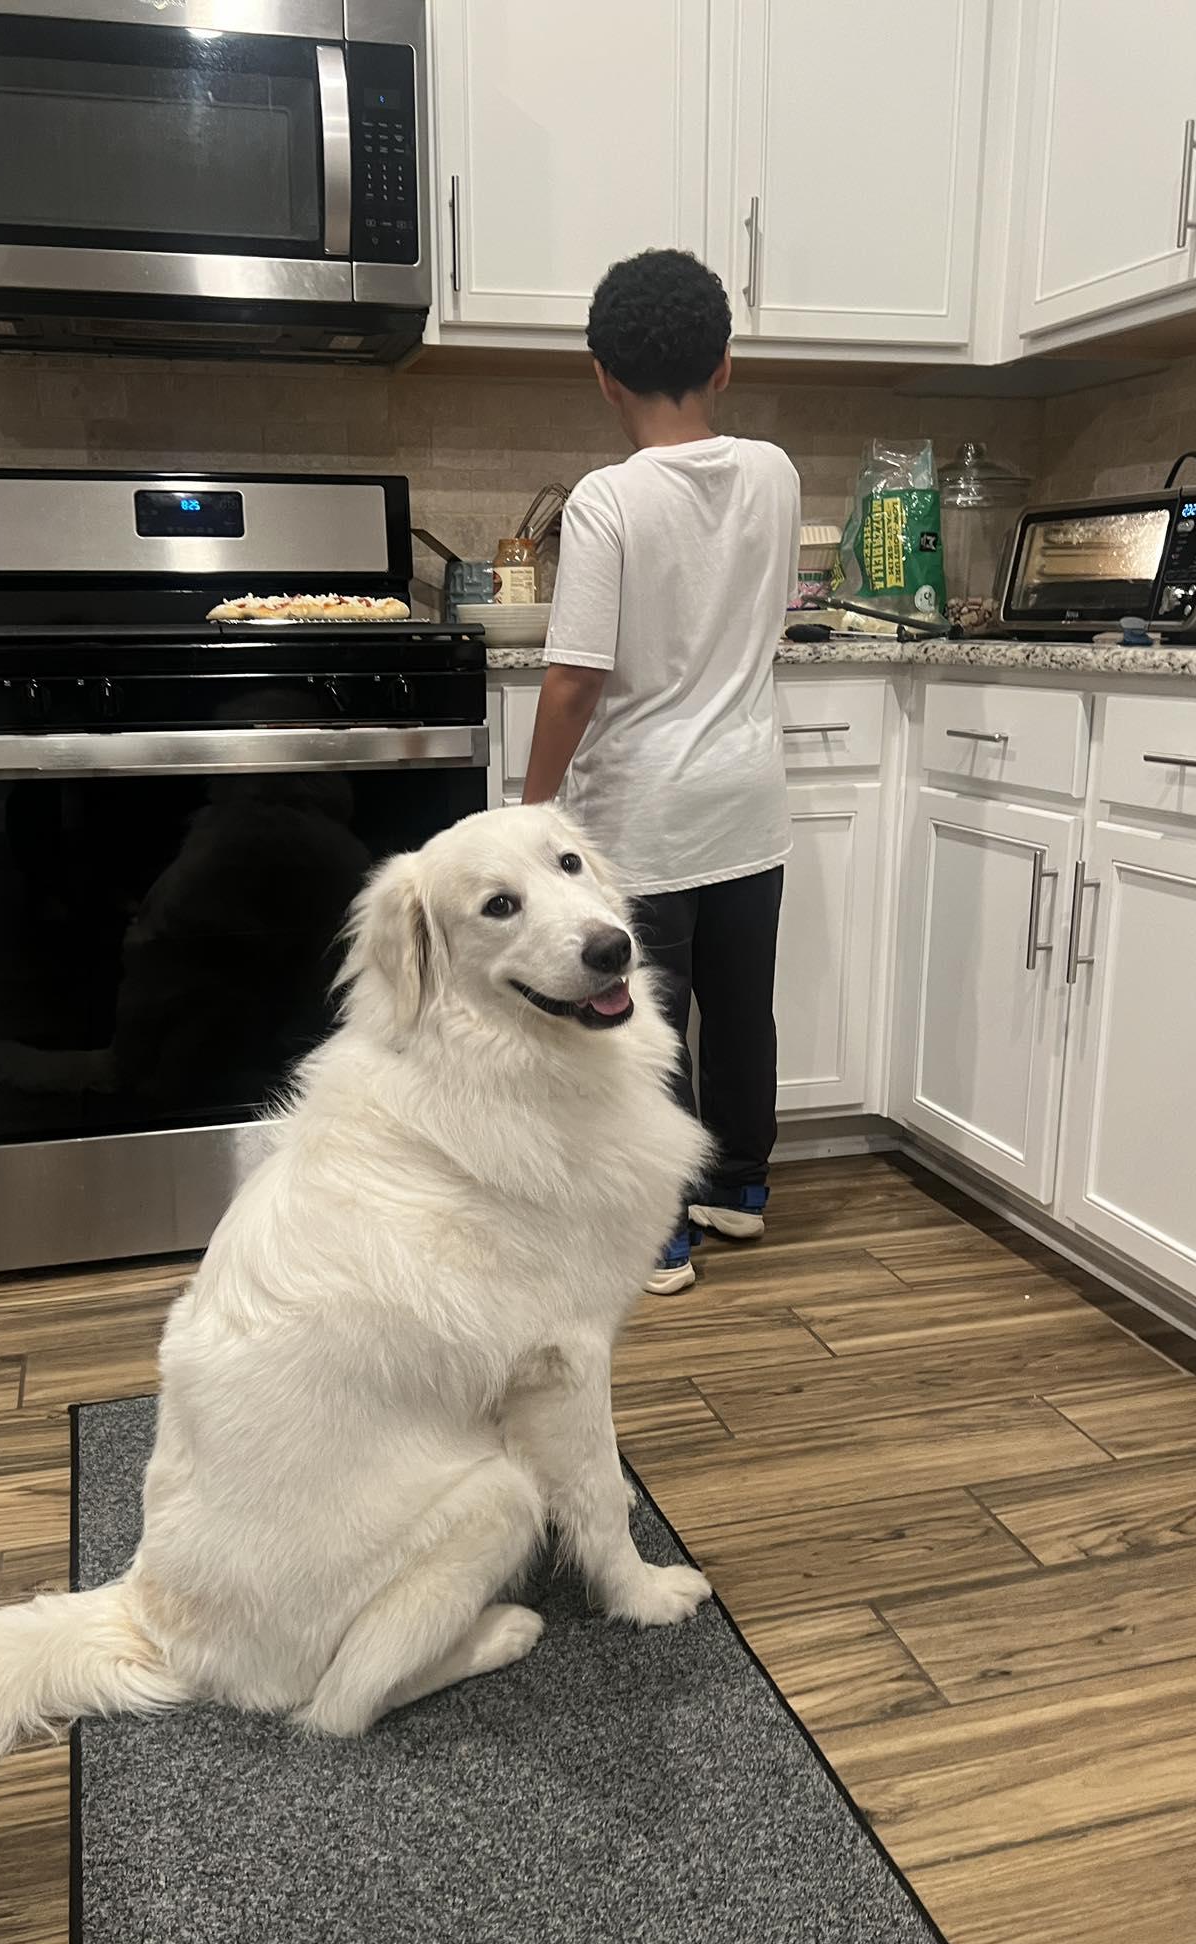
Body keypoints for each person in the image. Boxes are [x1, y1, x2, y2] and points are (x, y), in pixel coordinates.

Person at [521, 248, 801, 1295]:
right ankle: (738, 1187)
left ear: (602, 374)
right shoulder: (775, 471)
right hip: (749, 803)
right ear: (725, 363)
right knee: (742, 1009)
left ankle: (659, 1233)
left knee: (640, 1022)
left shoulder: (607, 500)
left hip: (644, 814)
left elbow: (572, 682)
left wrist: (534, 811)